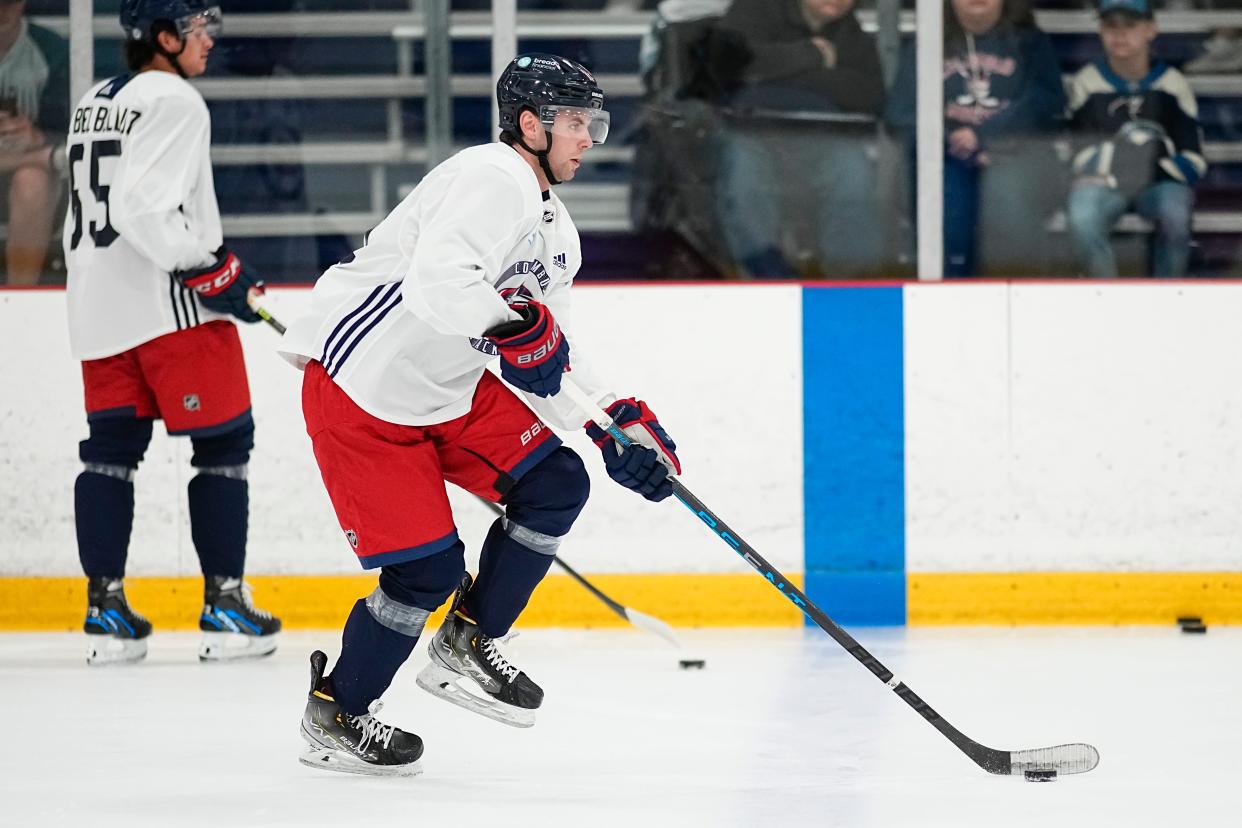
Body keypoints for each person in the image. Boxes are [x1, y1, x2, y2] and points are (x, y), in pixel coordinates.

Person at [280, 53, 682, 777]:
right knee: (426, 573)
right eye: (573, 122)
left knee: (558, 483)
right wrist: (510, 331)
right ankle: (338, 709)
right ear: (528, 125)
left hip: (450, 388)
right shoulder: (491, 176)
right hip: (362, 389)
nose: (589, 137)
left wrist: (613, 422)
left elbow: (546, 353)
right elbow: (440, 286)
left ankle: (470, 636)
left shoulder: (555, 229)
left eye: (594, 122)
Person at [64, 0, 281, 666]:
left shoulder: (92, 98)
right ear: (163, 38)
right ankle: (223, 605)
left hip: (98, 309)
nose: (209, 39)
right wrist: (212, 269)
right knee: (224, 446)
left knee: (109, 453)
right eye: (196, 29)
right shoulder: (178, 101)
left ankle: (105, 609)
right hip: (170, 310)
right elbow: (142, 207)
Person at [886, 0, 1065, 277]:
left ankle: (1016, 300)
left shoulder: (1029, 41)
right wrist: (951, 139)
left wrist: (985, 136)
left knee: (1010, 204)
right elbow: (901, 112)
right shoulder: (928, 41)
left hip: (1014, 156)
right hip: (947, 158)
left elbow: (1047, 101)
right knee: (949, 215)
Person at [714, 0, 885, 278]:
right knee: (743, 178)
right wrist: (814, 56)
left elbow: (870, 98)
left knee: (853, 172)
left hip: (823, 139)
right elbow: (727, 65)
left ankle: (852, 286)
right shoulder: (752, 10)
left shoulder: (854, 37)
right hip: (750, 133)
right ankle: (763, 276)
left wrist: (776, 75)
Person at [1065, 0, 1205, 278]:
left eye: (1130, 26)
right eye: (1110, 26)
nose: (1120, 35)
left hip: (1160, 185)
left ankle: (1169, 295)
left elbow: (1194, 159)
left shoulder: (1172, 84)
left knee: (1175, 213)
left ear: (1151, 30)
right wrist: (1130, 160)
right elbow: (1073, 153)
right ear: (1100, 31)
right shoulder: (1086, 83)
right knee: (1082, 214)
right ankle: (1104, 293)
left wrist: (1141, 163)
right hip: (1105, 185)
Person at [0, 0, 68, 285]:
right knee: (46, 161)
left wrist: (35, 136)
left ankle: (17, 299)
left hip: (30, 178)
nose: (3, 9)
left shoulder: (49, 49)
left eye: (10, 2)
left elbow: (69, 137)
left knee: (33, 181)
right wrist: (45, 151)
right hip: (37, 158)